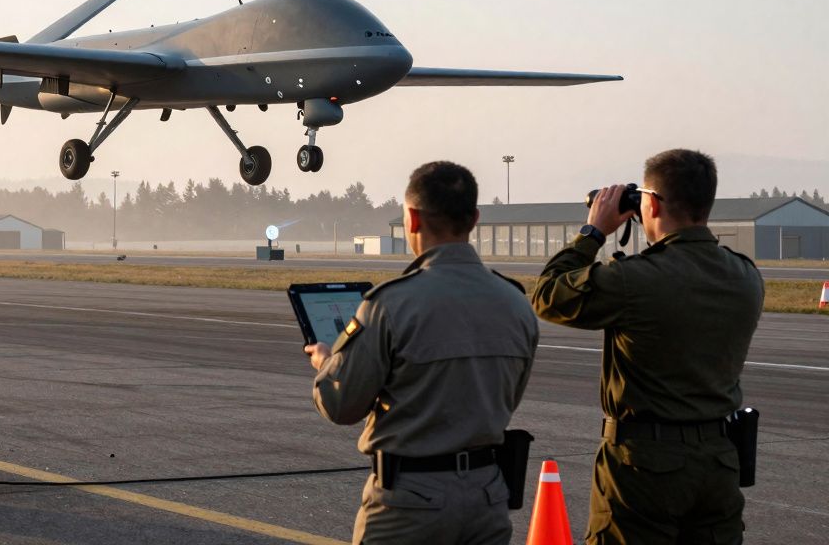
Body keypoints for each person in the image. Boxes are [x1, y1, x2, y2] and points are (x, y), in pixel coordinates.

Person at [530, 149, 763, 544]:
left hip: (644, 466)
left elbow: (549, 296)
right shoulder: (744, 275)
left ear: (650, 202)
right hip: (719, 461)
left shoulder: (635, 279)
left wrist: (593, 233)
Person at [305, 161, 538, 544]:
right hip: (487, 496)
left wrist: (327, 364)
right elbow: (507, 398)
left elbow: (341, 405)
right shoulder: (514, 302)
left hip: (411, 502)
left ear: (412, 219)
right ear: (474, 218)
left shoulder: (390, 304)